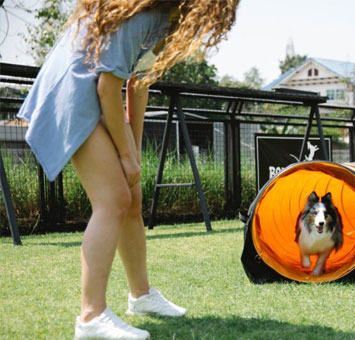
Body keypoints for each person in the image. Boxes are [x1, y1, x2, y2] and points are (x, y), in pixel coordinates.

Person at [17, 1, 240, 339]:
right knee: (113, 200)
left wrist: (132, 152)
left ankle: (141, 296)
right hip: (72, 93)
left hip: (92, 94)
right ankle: (91, 318)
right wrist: (124, 154)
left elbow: (139, 82)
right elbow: (108, 89)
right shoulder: (146, 15)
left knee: (130, 196)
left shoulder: (167, 22)